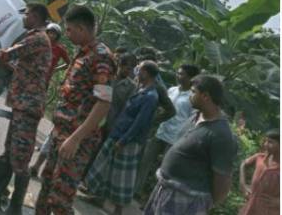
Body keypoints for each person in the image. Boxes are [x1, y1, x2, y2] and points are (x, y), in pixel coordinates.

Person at [0, 3, 51, 215]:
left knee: (20, 157)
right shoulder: (36, 38)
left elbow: (5, 55)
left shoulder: (37, 38)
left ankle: (15, 208)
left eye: (28, 14)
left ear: (37, 16)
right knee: (9, 152)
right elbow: (20, 66)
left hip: (28, 105)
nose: (24, 17)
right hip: (23, 104)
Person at [34, 5, 115, 215]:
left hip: (76, 139)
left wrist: (76, 139)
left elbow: (103, 103)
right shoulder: (83, 53)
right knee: (47, 188)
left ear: (81, 28)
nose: (66, 34)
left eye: (69, 30)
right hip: (61, 132)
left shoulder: (102, 57)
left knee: (60, 199)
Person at [143, 75, 237, 215]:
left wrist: (205, 204)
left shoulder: (221, 134)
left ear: (205, 96)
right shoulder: (196, 116)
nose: (190, 96)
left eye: (193, 92)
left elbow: (223, 180)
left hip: (186, 201)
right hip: (165, 190)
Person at [85, 60, 160, 215]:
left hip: (128, 140)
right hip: (118, 133)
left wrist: (124, 140)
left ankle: (118, 211)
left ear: (146, 73)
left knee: (122, 176)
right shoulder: (140, 89)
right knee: (105, 167)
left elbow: (140, 123)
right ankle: (99, 197)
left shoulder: (151, 96)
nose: (136, 71)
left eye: (139, 69)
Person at [134, 64, 201, 199]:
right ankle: (135, 191)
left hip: (176, 137)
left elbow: (192, 120)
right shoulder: (172, 90)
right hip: (160, 131)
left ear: (190, 78)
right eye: (178, 72)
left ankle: (153, 198)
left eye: (182, 74)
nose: (178, 76)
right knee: (145, 162)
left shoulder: (192, 97)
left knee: (165, 170)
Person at [28, 22, 70, 178]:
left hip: (44, 81)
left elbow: (68, 63)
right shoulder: (39, 42)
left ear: (57, 36)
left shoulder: (59, 49)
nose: (51, 35)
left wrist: (55, 70)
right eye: (49, 32)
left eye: (54, 34)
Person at [239, 129, 279, 215]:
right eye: (265, 141)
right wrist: (243, 184)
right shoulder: (260, 158)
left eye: (270, 142)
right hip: (251, 207)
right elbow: (243, 164)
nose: (266, 145)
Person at [105, 53, 138, 135]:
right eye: (127, 68)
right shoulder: (107, 76)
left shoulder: (131, 87)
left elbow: (124, 108)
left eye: (131, 69)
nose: (129, 71)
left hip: (110, 123)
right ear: (120, 65)